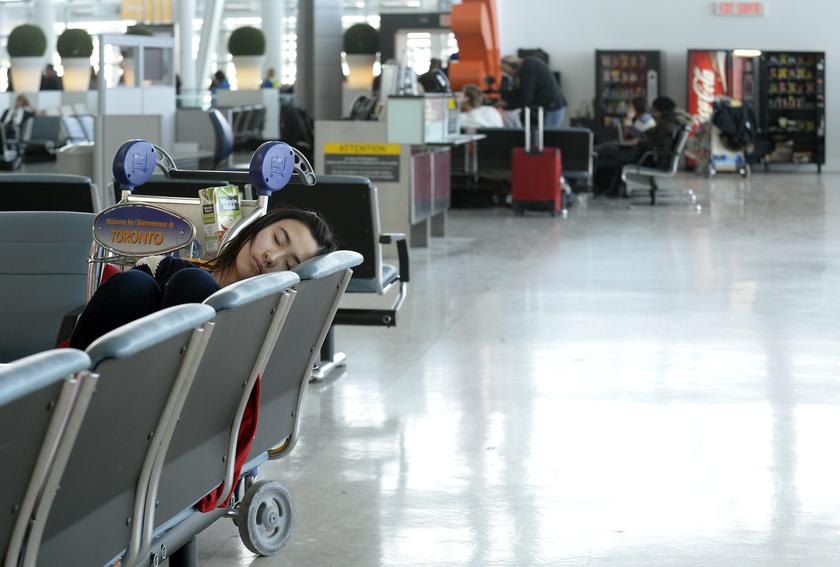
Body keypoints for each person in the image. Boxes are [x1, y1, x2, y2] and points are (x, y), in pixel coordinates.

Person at [68, 208, 336, 350]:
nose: (270, 256)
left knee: (192, 283)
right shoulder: (164, 268)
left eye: (288, 263)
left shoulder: (256, 322)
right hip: (108, 385)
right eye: (277, 239)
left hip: (190, 402)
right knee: (136, 284)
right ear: (259, 226)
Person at [593, 96, 690, 197]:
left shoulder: (666, 126)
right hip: (649, 155)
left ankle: (590, 155)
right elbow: (654, 139)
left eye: (653, 109)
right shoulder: (669, 123)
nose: (651, 111)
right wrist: (641, 140)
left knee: (609, 149)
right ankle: (613, 189)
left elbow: (658, 145)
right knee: (612, 150)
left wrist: (640, 143)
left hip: (649, 158)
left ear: (659, 111)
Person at [500, 55, 567, 127]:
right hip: (551, 108)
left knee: (546, 137)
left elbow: (526, 98)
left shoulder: (528, 68)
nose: (510, 75)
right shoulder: (530, 64)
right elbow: (522, 91)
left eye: (507, 72)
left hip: (552, 109)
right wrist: (506, 99)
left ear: (514, 65)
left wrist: (507, 105)